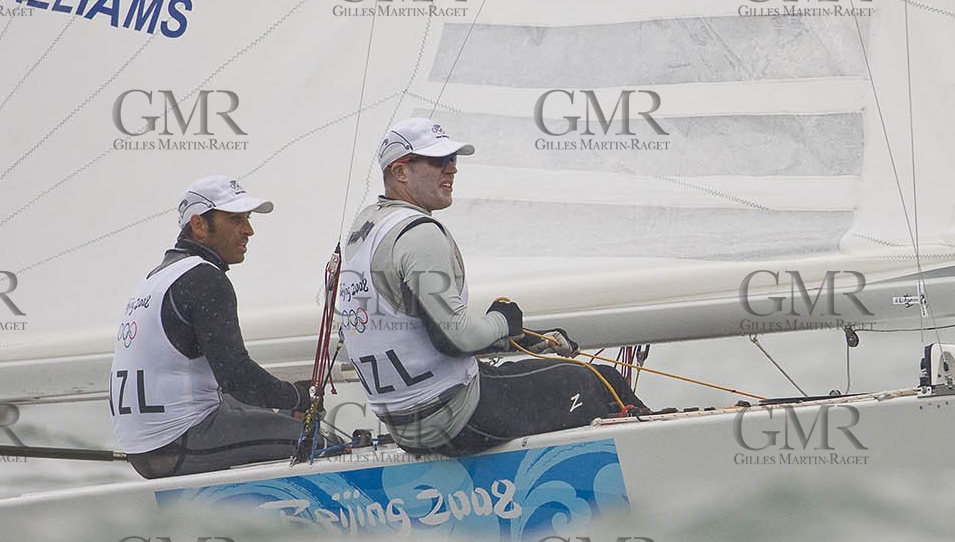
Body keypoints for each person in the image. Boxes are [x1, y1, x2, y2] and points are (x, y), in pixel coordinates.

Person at [340, 117, 648, 455]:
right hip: (458, 417)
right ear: (401, 171)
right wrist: (504, 320)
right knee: (601, 382)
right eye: (438, 161)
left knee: (527, 374)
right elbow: (459, 339)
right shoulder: (418, 234)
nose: (452, 170)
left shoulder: (362, 235)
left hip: (406, 428)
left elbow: (418, 335)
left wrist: (518, 338)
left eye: (453, 160)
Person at [110, 175, 312, 478]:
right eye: (235, 220)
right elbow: (237, 377)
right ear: (199, 225)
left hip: (145, 447)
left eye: (247, 219)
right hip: (178, 441)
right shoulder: (205, 279)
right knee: (315, 440)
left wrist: (284, 404)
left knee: (269, 414)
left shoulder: (155, 277)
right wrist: (298, 398)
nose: (249, 230)